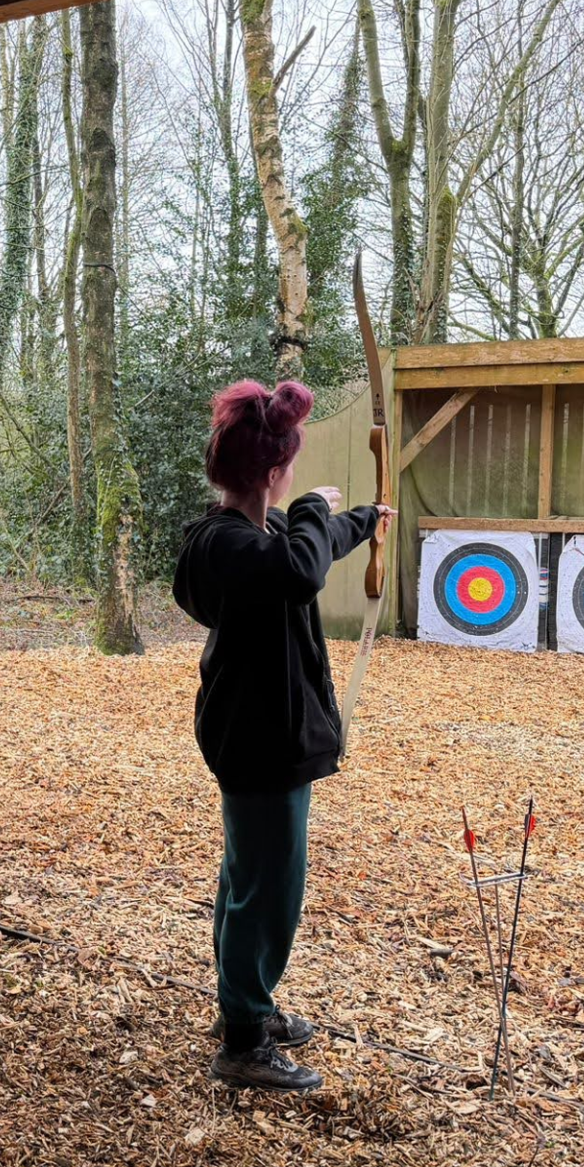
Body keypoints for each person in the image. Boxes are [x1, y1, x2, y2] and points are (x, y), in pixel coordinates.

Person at [172, 379, 394, 1092]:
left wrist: (364, 520)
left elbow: (309, 548)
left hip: (261, 735)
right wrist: (311, 510)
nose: (296, 479)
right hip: (260, 740)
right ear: (272, 472)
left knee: (251, 876)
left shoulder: (257, 536)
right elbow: (300, 565)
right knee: (267, 891)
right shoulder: (227, 544)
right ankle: (243, 1038)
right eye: (290, 468)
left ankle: (245, 1006)